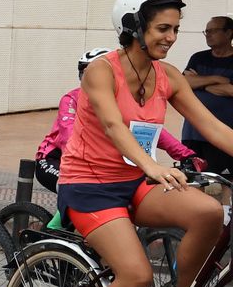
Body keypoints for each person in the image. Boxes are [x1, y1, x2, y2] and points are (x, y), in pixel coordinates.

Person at [56, 0, 233, 287]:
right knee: (136, 275)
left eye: (175, 29)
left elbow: (210, 126)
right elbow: (116, 127)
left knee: (210, 213)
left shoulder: (167, 76)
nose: (171, 37)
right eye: (162, 28)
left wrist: (148, 169)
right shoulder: (101, 70)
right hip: (89, 186)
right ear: (134, 26)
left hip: (134, 182)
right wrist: (151, 165)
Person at [36, 47, 203, 192]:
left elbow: (151, 131)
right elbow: (70, 136)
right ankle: (56, 226)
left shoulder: (123, 99)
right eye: (84, 72)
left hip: (105, 163)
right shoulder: (71, 98)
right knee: (76, 188)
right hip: (57, 159)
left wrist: (186, 155)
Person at [180, 14, 233, 174]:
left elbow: (230, 90)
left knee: (226, 180)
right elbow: (184, 83)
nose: (208, 34)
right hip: (193, 132)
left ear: (229, 33)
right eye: (206, 31)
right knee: (193, 178)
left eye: (213, 30)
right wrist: (217, 80)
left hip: (225, 133)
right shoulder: (198, 58)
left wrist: (199, 82)